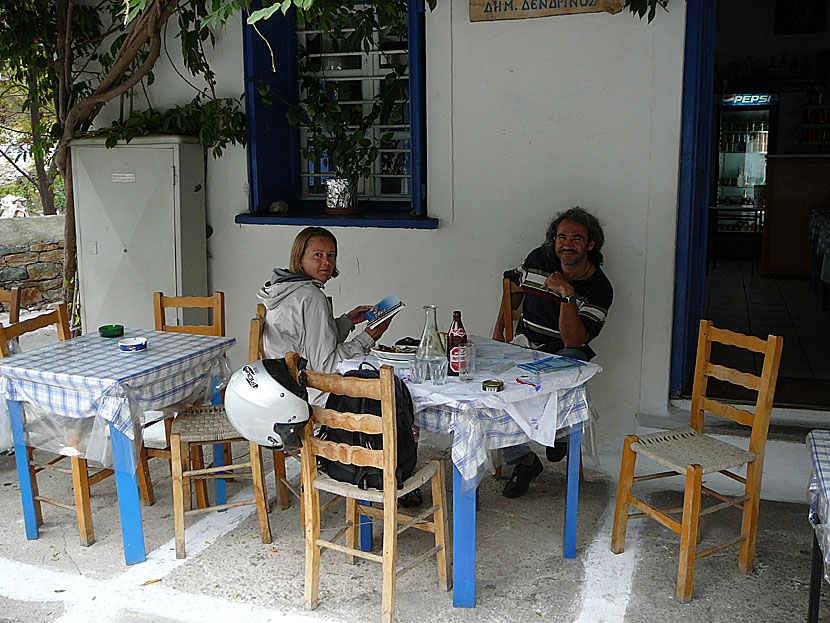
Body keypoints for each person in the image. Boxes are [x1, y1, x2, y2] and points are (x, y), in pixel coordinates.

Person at [492, 207, 613, 498]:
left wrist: (567, 294)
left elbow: (573, 341)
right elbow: (512, 291)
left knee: (552, 378)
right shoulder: (538, 259)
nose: (567, 244)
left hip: (565, 355)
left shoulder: (600, 288)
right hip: (527, 345)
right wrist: (499, 335)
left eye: (576, 238)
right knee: (495, 390)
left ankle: (557, 431)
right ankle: (524, 461)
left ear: (590, 244)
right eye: (561, 237)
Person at [257, 226, 394, 407]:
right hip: (308, 397)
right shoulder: (311, 297)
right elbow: (326, 367)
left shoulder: (285, 289)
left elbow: (310, 343)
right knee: (388, 392)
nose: (326, 262)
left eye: (331, 255)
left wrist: (347, 321)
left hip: (279, 389)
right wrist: (368, 337)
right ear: (300, 258)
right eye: (318, 255)